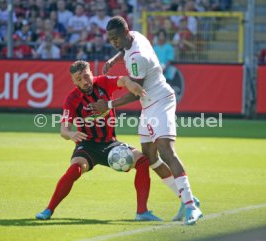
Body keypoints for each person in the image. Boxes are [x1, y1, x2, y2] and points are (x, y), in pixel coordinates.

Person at [90, 16, 203, 225]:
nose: (113, 42)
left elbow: (136, 92)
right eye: (110, 39)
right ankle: (186, 197)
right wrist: (115, 60)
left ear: (124, 33)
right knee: (149, 157)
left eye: (115, 38)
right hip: (148, 105)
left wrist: (107, 106)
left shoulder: (137, 58)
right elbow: (125, 49)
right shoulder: (135, 36)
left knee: (166, 151)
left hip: (160, 100)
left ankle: (191, 207)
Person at [35, 60, 162, 221]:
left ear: (91, 74)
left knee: (143, 161)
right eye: (79, 79)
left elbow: (122, 80)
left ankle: (142, 212)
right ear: (73, 81)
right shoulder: (72, 99)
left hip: (110, 143)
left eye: (86, 76)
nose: (84, 81)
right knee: (75, 168)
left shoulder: (103, 82)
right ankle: (48, 210)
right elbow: (63, 130)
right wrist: (71, 134)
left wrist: (130, 84)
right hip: (87, 146)